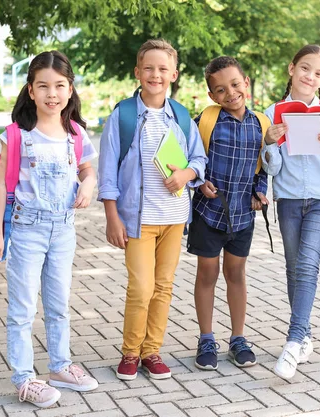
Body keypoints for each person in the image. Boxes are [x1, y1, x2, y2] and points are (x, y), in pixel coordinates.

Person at [0, 51, 99, 408]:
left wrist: (88, 183)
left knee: (59, 304)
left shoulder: (76, 133)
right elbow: (2, 188)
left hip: (64, 231)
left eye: (60, 86)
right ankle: (23, 377)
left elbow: (87, 170)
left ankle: (60, 366)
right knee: (22, 309)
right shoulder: (17, 135)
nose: (52, 93)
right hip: (26, 230)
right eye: (43, 86)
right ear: (31, 91)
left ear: (70, 89)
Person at [97, 39, 207, 381]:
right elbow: (107, 172)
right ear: (137, 72)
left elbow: (199, 159)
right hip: (137, 221)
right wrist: (112, 217)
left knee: (163, 287)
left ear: (173, 74)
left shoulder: (182, 116)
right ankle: (130, 352)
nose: (155, 75)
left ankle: (152, 352)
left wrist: (186, 174)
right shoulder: (124, 116)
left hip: (174, 220)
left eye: (163, 69)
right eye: (149, 68)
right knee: (141, 287)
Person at [260, 44, 320, 379]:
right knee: (293, 269)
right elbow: (271, 170)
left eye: (319, 73)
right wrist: (270, 143)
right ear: (292, 69)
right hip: (287, 199)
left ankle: (292, 342)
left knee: (307, 265)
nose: (310, 77)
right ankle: (304, 335)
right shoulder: (272, 112)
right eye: (305, 68)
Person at [189, 56, 269, 371]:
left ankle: (238, 338)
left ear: (245, 82)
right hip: (207, 213)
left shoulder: (260, 123)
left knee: (236, 275)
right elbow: (192, 158)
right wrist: (198, 182)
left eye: (235, 84)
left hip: (242, 217)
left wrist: (259, 192)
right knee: (207, 275)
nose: (230, 93)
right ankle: (206, 338)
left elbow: (262, 166)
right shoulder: (206, 120)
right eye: (220, 90)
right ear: (212, 95)